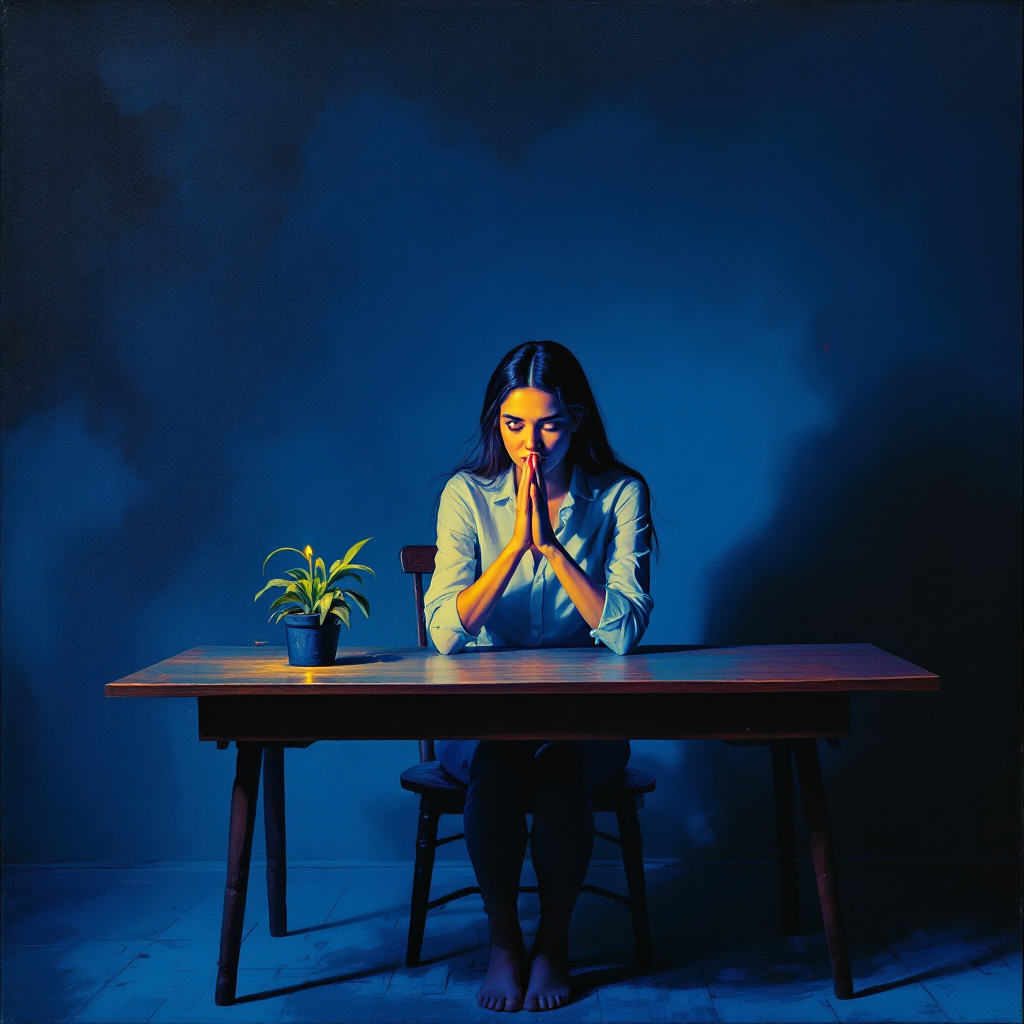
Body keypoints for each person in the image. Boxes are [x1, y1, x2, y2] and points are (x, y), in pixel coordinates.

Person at [422, 340, 656, 1012]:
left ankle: (553, 941)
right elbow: (444, 633)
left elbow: (621, 633)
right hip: (483, 718)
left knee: (557, 765)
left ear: (576, 420)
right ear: (496, 421)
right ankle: (504, 940)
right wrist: (516, 545)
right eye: (514, 424)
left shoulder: (618, 495)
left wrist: (550, 549)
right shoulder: (466, 495)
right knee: (498, 761)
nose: (532, 445)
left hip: (585, 721)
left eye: (549, 424)